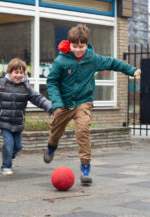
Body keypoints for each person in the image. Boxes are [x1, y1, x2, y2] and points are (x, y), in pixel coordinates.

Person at [43, 24, 141, 184]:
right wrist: (57, 103)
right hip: (64, 103)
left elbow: (112, 63)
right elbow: (52, 82)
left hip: (83, 102)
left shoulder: (92, 58)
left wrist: (131, 70)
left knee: (82, 130)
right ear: (70, 43)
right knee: (55, 131)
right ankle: (51, 147)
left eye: (81, 47)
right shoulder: (61, 60)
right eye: (74, 46)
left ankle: (85, 166)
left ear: (86, 44)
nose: (78, 50)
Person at [0, 58, 52, 176]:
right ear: (9, 73)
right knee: (8, 143)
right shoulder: (1, 85)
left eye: (21, 73)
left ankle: (10, 157)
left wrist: (50, 107)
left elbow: (38, 98)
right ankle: (6, 166)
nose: (18, 75)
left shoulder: (26, 87)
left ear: (24, 74)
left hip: (18, 121)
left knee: (18, 146)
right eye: (16, 72)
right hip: (4, 120)